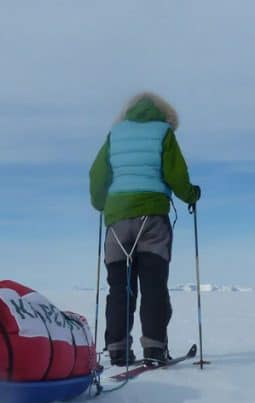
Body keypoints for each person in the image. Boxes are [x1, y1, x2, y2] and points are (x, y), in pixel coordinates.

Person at [89, 92, 200, 366]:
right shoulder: (163, 132)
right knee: (153, 287)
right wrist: (191, 195)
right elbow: (176, 174)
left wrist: (102, 203)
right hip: (151, 219)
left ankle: (117, 350)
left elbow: (97, 174)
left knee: (119, 288)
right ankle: (155, 350)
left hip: (116, 221)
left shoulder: (115, 134)